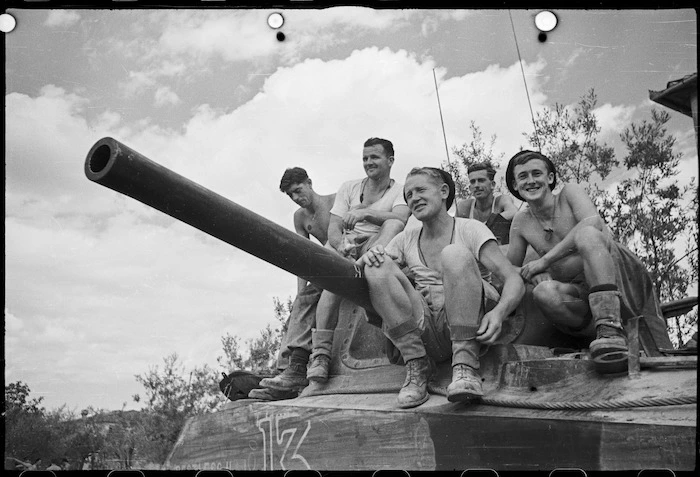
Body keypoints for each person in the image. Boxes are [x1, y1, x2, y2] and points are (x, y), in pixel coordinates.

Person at [358, 167, 524, 408]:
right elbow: (379, 272)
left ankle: (466, 365)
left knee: (454, 253)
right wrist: (368, 257)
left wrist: (499, 313)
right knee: (377, 264)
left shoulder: (470, 228)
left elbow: (513, 279)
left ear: (444, 191)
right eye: (409, 194)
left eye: (420, 190)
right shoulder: (406, 237)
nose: (414, 198)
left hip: (469, 323)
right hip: (423, 329)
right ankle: (417, 365)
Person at [505, 150, 672, 371]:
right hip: (578, 293)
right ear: (515, 186)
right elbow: (507, 269)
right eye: (523, 176)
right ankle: (600, 339)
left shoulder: (569, 193)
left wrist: (544, 262)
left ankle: (610, 327)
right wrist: (532, 274)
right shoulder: (521, 222)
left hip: (619, 276)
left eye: (537, 173)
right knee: (543, 293)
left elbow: (592, 223)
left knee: (586, 234)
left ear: (551, 178)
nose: (531, 181)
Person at [307, 137, 411, 383]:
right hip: (347, 247)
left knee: (392, 223)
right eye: (365, 158)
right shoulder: (349, 188)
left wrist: (366, 213)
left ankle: (367, 263)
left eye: (374, 157)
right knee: (335, 281)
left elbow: (400, 218)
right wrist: (341, 245)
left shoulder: (401, 190)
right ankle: (320, 354)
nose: (368, 162)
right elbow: (334, 228)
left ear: (390, 160)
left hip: (379, 247)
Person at [249, 167, 336, 400]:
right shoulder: (300, 217)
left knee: (308, 299)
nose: (296, 198)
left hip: (347, 263)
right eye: (291, 195)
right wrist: (301, 294)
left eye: (298, 190)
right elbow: (302, 257)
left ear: (309, 182)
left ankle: (296, 369)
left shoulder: (335, 201)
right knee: (300, 305)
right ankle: (286, 372)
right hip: (325, 270)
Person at [455, 162, 517, 245]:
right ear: (470, 188)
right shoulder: (464, 207)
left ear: (492, 185)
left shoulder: (501, 200)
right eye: (473, 182)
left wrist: (489, 224)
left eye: (481, 180)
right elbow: (455, 232)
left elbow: (514, 212)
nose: (476, 185)